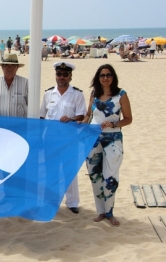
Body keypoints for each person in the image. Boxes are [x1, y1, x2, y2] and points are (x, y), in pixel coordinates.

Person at [80, 64, 132, 226]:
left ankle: (110, 212)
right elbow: (89, 114)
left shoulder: (121, 95)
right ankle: (101, 211)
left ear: (113, 77)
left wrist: (114, 124)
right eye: (102, 75)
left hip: (113, 140)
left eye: (108, 75)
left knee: (110, 177)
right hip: (93, 139)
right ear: (98, 78)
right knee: (95, 176)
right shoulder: (94, 94)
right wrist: (82, 126)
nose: (105, 78)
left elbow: (128, 119)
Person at [40, 62, 86, 214]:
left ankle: (72, 202)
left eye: (65, 75)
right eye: (59, 74)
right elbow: (42, 115)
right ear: (55, 75)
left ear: (70, 76)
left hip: (69, 140)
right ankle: (50, 200)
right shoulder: (48, 94)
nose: (62, 77)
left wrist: (72, 119)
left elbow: (82, 115)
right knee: (50, 170)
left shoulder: (77, 94)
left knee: (69, 171)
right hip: (50, 139)